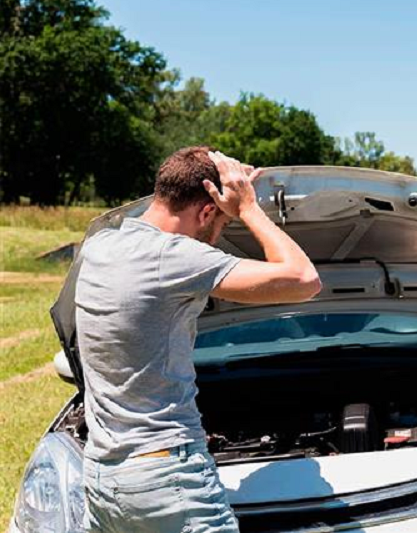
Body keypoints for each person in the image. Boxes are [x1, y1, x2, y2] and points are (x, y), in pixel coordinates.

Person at [75, 147, 321, 532]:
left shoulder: (98, 247)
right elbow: (305, 281)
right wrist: (249, 209)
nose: (219, 235)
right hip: (167, 477)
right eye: (222, 224)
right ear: (207, 211)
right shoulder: (175, 257)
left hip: (102, 478)